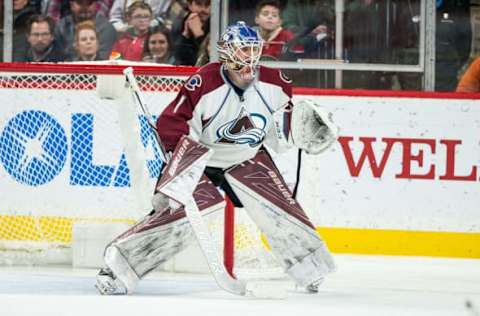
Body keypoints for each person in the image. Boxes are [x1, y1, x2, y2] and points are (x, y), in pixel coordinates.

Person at [95, 21, 337, 296]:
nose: (250, 56)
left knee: (278, 207)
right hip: (199, 157)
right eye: (244, 49)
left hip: (246, 155)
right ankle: (118, 267)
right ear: (227, 52)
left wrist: (302, 132)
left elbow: (279, 135)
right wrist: (180, 159)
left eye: (254, 49)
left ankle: (310, 269)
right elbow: (172, 121)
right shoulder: (204, 81)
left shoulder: (277, 84)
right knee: (184, 213)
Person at [173, 0, 210, 65]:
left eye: (207, 4)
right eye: (198, 4)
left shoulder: (218, 25)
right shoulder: (179, 25)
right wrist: (185, 36)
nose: (203, 9)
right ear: (190, 5)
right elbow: (177, 59)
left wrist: (199, 36)